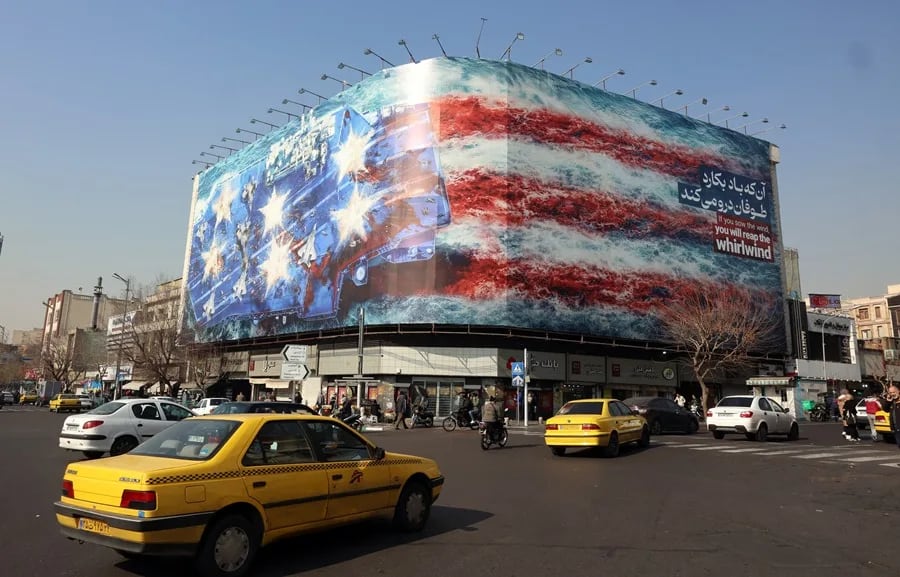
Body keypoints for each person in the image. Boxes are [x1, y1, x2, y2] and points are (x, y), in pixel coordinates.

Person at [885, 383, 900, 450]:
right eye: (890, 393)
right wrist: (888, 401)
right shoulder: (892, 402)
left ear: (898, 391)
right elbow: (885, 410)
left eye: (894, 392)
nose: (892, 394)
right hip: (896, 428)